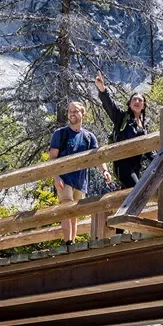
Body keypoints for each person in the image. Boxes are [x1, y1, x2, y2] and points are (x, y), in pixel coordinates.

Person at [48, 99, 99, 246]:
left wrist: (105, 171)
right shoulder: (60, 134)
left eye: (75, 111)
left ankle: (73, 242)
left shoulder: (89, 136)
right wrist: (56, 176)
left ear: (83, 114)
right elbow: (52, 158)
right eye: (70, 111)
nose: (72, 114)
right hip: (64, 177)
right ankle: (68, 242)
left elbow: (97, 156)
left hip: (80, 180)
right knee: (66, 207)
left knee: (75, 213)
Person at [95, 71, 149, 189]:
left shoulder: (144, 127)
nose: (137, 102)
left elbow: (149, 149)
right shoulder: (121, 118)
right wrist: (102, 90)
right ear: (129, 104)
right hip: (122, 164)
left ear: (144, 106)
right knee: (137, 190)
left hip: (136, 166)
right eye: (134, 99)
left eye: (140, 100)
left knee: (129, 197)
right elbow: (110, 106)